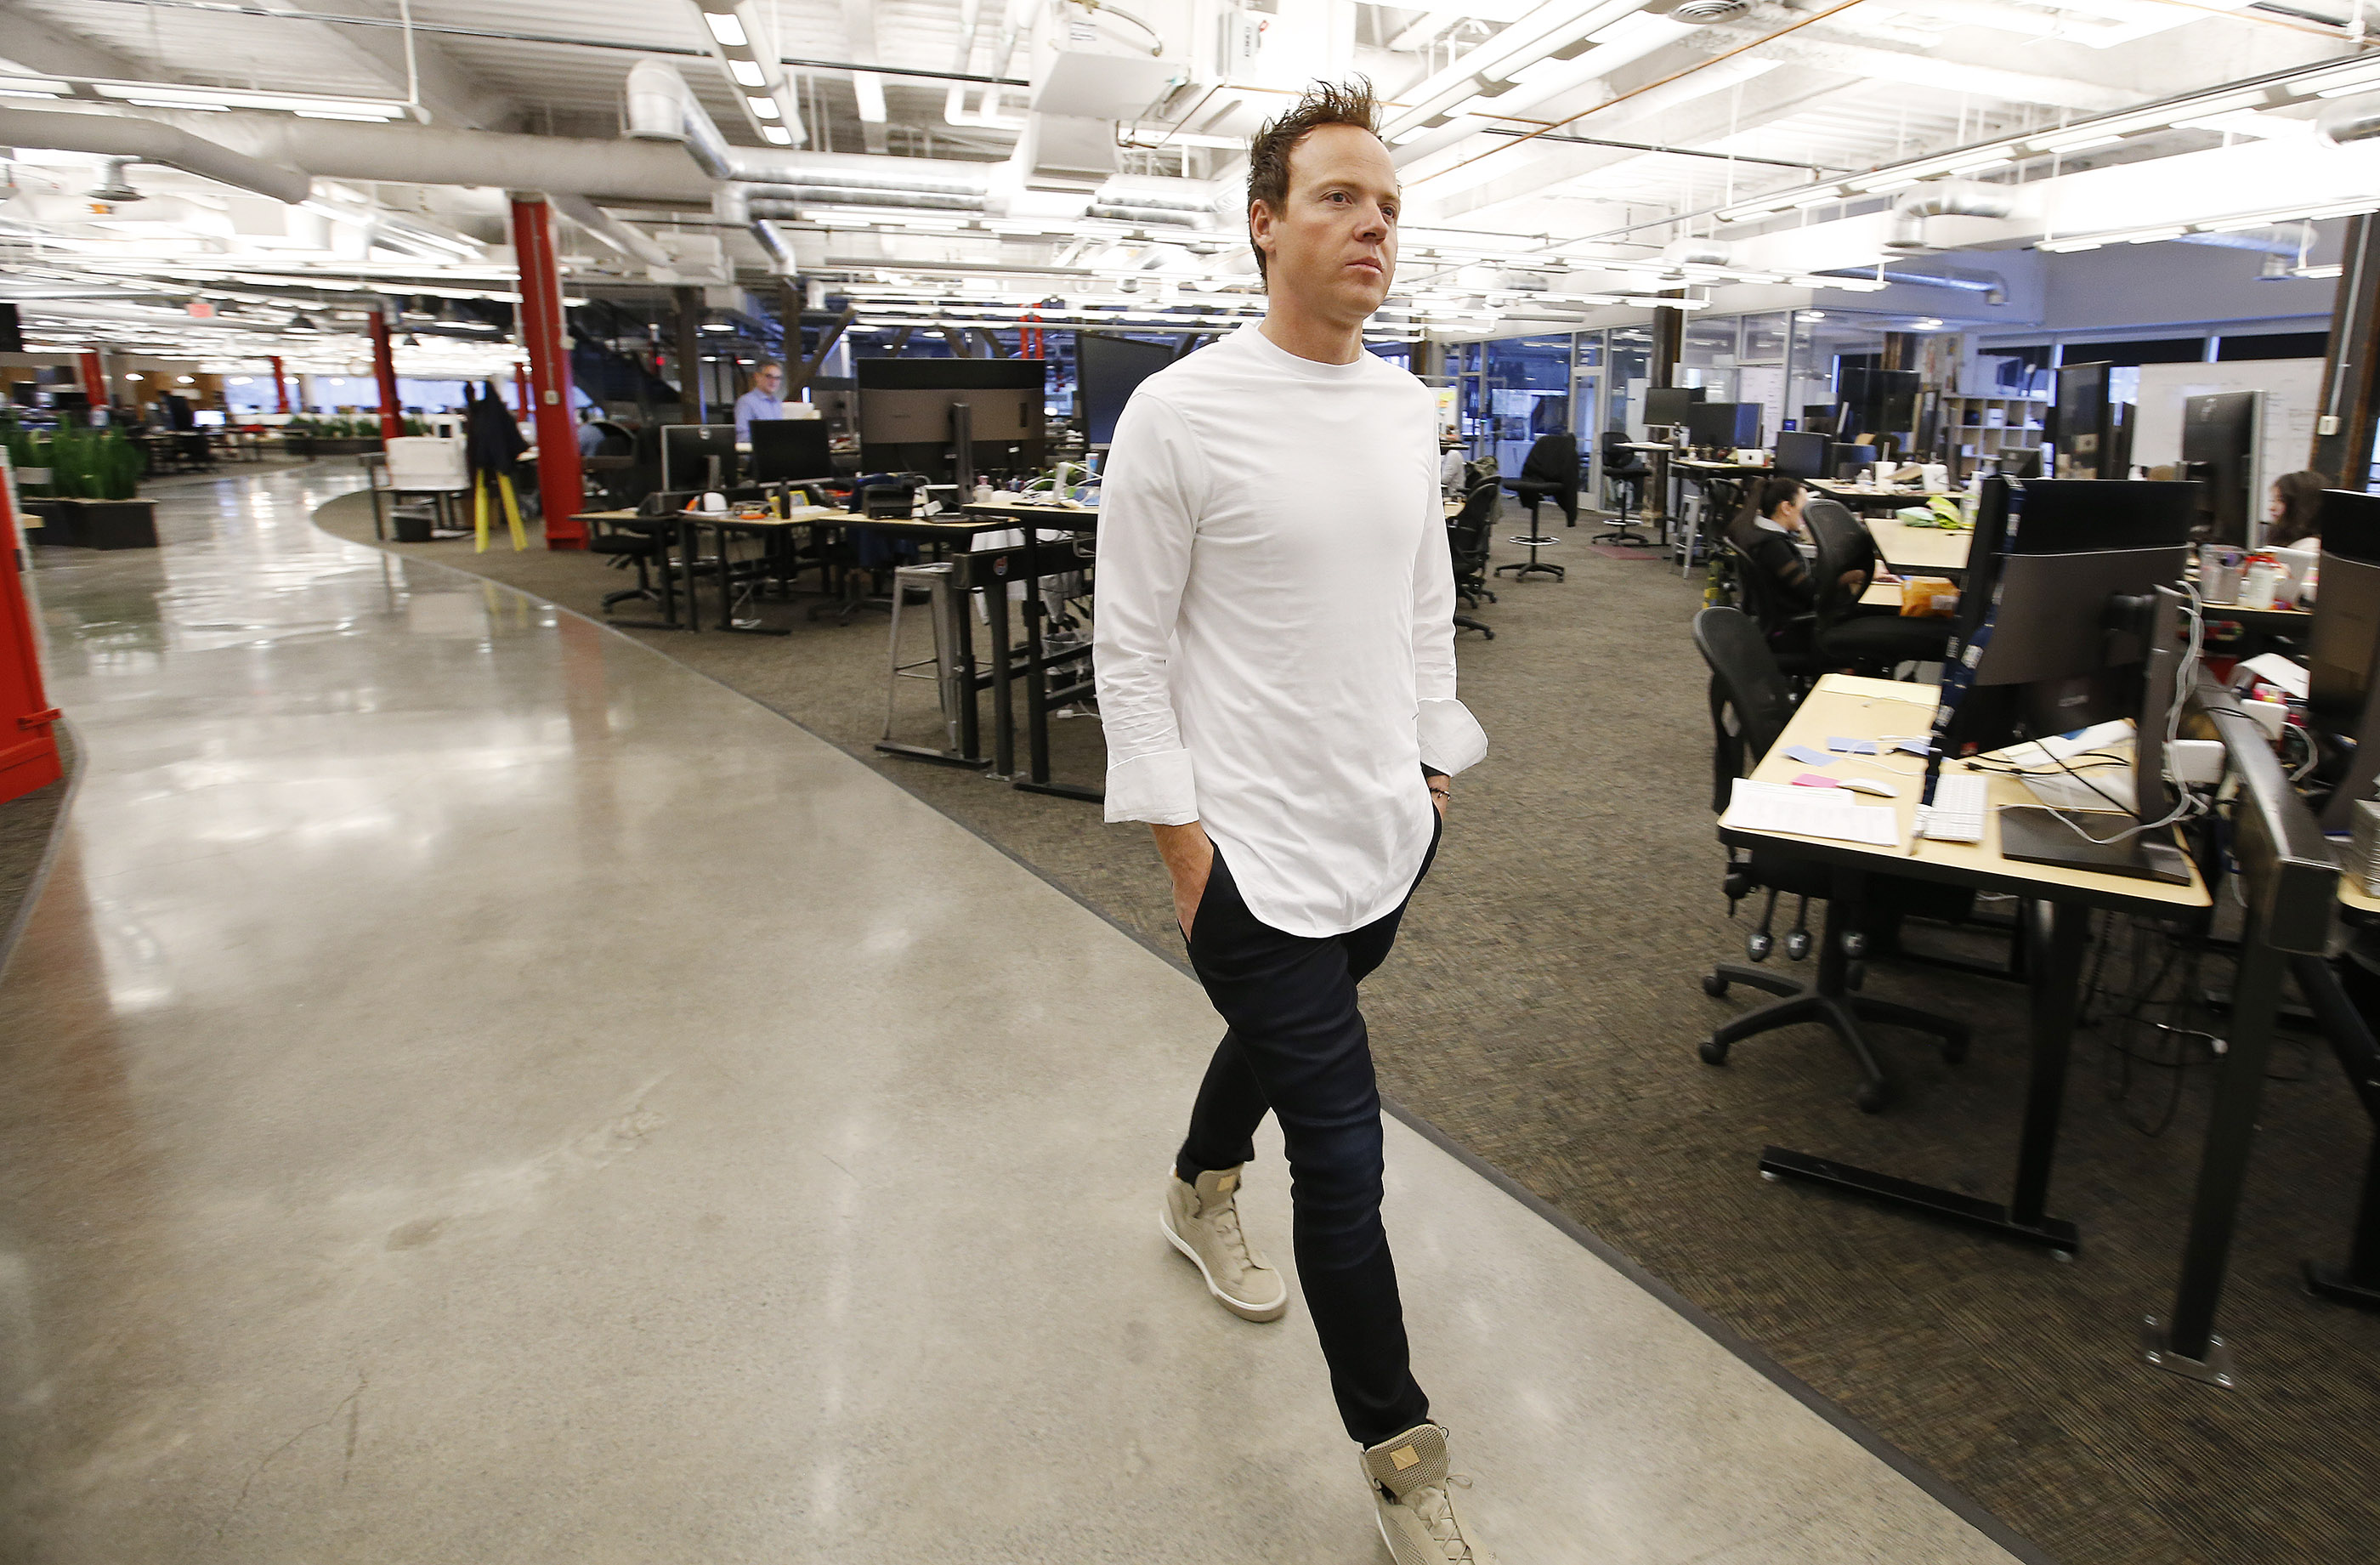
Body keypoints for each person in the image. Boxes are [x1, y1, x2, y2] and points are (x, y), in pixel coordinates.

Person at [1093, 79, 1497, 1563]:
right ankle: (1406, 1458)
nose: (1371, 223)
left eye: (1387, 202)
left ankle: (1200, 1184)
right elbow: (1128, 654)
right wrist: (1186, 857)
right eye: (1337, 196)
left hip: (1384, 828)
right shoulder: (1182, 412)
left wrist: (1430, 765)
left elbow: (1420, 603)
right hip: (1246, 852)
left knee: (1288, 1033)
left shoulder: (1403, 404)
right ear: (1264, 225)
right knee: (1346, 1155)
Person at [1726, 475, 1816, 610]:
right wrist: (1841, 579)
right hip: (1791, 617)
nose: (1807, 514)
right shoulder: (1773, 546)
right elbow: (1807, 591)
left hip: (1772, 610)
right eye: (1804, 507)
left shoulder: (1757, 530)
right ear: (1786, 508)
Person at [2269, 469, 2326, 547]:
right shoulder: (2290, 541)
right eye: (2273, 500)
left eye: (2281, 500)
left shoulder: (2310, 547)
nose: (2271, 508)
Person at [732, 361, 784, 441]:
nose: (774, 381)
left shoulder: (777, 403)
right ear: (757, 377)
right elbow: (742, 436)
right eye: (769, 376)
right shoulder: (746, 402)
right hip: (759, 452)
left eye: (777, 378)